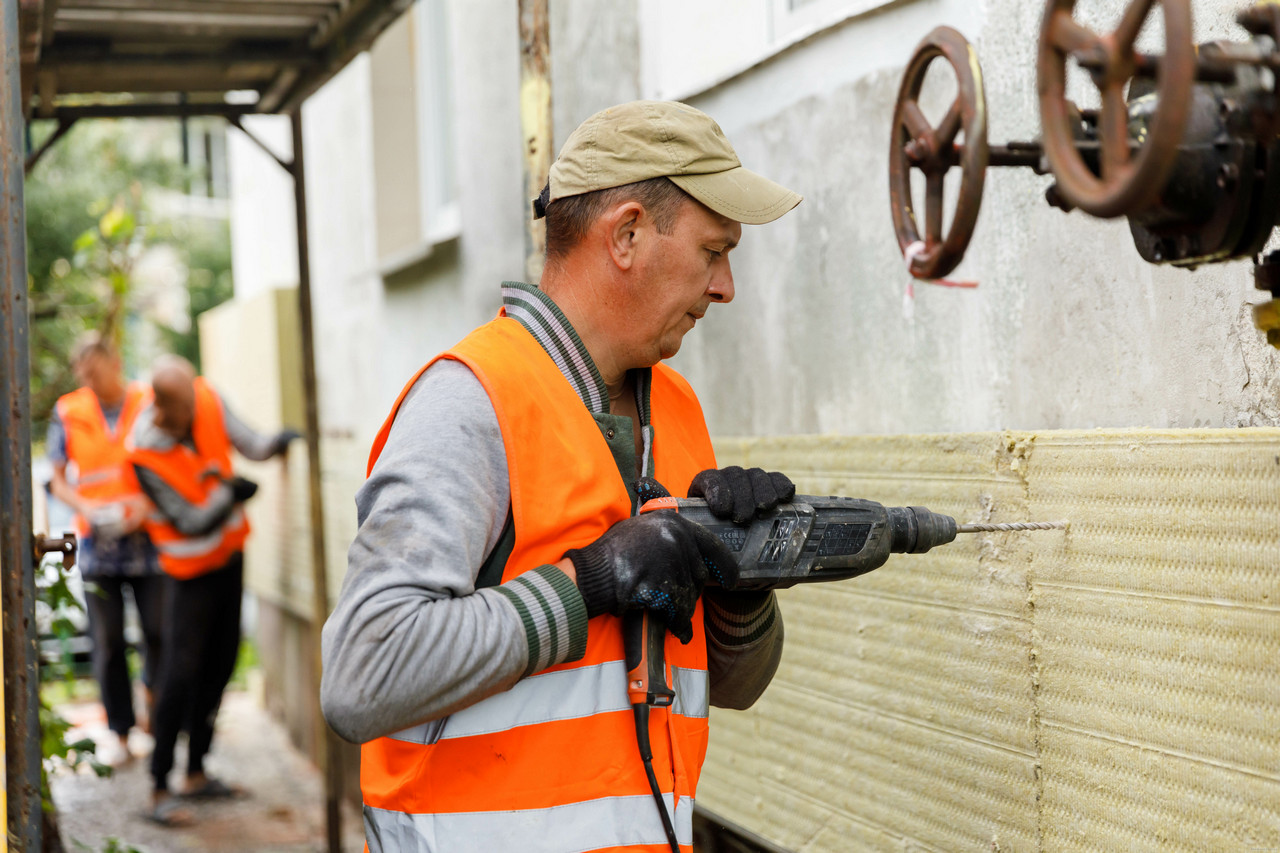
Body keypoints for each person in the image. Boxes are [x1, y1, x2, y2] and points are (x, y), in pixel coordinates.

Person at [322, 100, 803, 852]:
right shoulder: (472, 403)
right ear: (627, 234)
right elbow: (363, 675)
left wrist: (742, 595)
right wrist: (589, 584)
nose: (726, 287)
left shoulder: (677, 409)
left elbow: (734, 688)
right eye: (713, 251)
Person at [126, 354, 298, 826]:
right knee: (179, 674)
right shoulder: (142, 452)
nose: (196, 412)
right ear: (164, 407)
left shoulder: (205, 397)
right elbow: (187, 520)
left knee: (221, 665)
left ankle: (196, 774)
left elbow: (250, 442)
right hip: (188, 576)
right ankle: (159, 785)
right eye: (186, 407)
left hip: (228, 560)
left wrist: (280, 442)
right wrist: (231, 494)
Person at [47, 333, 163, 767]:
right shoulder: (69, 410)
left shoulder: (147, 402)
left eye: (96, 372)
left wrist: (146, 505)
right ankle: (120, 732)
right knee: (108, 641)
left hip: (149, 540)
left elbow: (170, 462)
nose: (90, 382)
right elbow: (58, 480)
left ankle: (156, 712)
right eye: (84, 375)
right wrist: (87, 507)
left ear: (115, 363)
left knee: (158, 633)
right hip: (98, 546)